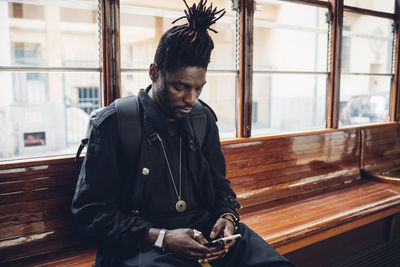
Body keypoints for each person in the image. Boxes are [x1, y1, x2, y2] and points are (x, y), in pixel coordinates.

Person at [72, 1, 294, 266]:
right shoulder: (115, 123)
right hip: (143, 246)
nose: (191, 99)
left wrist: (227, 218)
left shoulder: (203, 118)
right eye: (180, 87)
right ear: (154, 73)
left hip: (205, 240)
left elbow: (219, 185)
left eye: (198, 89)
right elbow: (90, 213)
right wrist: (162, 238)